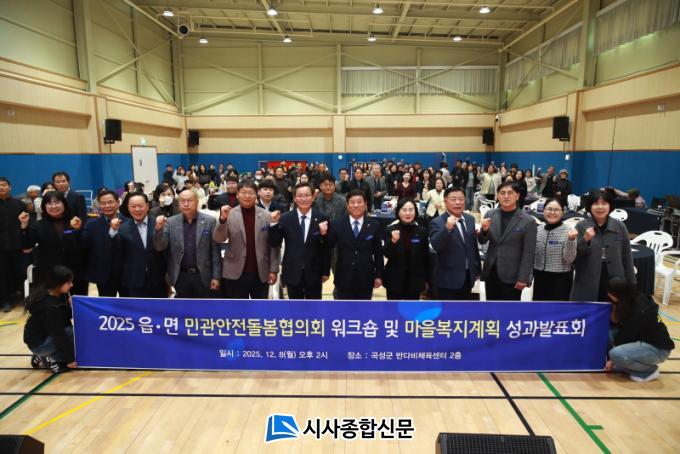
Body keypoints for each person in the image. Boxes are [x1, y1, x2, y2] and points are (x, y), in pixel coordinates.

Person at [212, 179, 279, 299]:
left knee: (259, 308)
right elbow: (219, 239)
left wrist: (273, 270)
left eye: (251, 193)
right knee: (237, 308)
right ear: (237, 194)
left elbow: (273, 245)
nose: (247, 196)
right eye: (243, 192)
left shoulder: (266, 215)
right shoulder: (229, 214)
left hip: (260, 272)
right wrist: (222, 220)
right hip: (235, 272)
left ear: (256, 194)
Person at [153, 188, 222, 298]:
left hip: (203, 275)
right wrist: (158, 230)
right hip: (180, 276)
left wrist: (216, 277)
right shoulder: (170, 222)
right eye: (182, 201)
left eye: (189, 200)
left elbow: (215, 252)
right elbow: (159, 247)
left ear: (197, 202)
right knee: (182, 308)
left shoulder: (210, 221)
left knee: (204, 307)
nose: (186, 204)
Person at [570, 189, 635, 302]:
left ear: (610, 206)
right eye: (596, 203)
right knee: (588, 310)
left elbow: (627, 256)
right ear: (590, 207)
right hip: (587, 279)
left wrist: (632, 283)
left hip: (615, 280)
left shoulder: (619, 226)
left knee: (614, 310)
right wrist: (585, 240)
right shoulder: (581, 226)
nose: (600, 207)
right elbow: (573, 257)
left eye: (604, 203)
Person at [605, 277, 674, 382]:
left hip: (658, 349)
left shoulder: (639, 311)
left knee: (616, 354)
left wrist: (613, 360)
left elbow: (624, 338)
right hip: (641, 340)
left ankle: (648, 372)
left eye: (610, 295)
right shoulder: (631, 298)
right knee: (609, 333)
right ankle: (627, 363)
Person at [477, 181, 537, 301]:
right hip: (491, 272)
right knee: (491, 308)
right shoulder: (490, 214)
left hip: (513, 274)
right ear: (498, 196)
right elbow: (482, 241)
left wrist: (523, 278)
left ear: (517, 196)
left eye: (510, 193)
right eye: (502, 193)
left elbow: (529, 253)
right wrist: (484, 231)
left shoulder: (528, 221)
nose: (506, 196)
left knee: (509, 310)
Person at [269, 183, 330, 299]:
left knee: (314, 306)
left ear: (313, 197)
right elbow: (274, 242)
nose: (304, 199)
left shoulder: (322, 217)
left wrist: (325, 271)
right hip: (292, 272)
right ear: (294, 198)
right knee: (294, 307)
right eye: (300, 196)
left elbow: (326, 247)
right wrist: (273, 224)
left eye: (307, 195)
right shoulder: (285, 218)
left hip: (314, 272)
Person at [20, 191, 84, 289]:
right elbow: (27, 246)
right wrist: (24, 225)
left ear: (64, 204)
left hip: (75, 272)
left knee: (76, 297)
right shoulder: (38, 225)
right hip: (49, 274)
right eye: (49, 203)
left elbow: (82, 245)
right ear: (44, 207)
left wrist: (77, 230)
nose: (54, 206)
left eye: (57, 202)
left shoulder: (74, 221)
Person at [327, 189, 383, 300]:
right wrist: (324, 234)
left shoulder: (374, 225)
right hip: (343, 277)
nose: (356, 205)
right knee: (343, 309)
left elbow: (378, 253)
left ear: (365, 204)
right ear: (347, 205)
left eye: (359, 202)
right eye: (352, 202)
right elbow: (328, 246)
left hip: (366, 277)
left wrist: (379, 275)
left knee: (364, 309)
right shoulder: (337, 224)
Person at [430, 187, 481, 300]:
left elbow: (473, 246)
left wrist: (476, 270)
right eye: (453, 199)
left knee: (465, 309)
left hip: (468, 277)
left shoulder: (470, 219)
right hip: (447, 280)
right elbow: (436, 245)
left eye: (461, 199)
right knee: (448, 311)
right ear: (445, 202)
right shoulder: (437, 222)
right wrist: (447, 228)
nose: (457, 202)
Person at [23, 265, 76, 374]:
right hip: (39, 344)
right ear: (58, 283)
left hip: (43, 337)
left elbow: (65, 318)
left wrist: (71, 307)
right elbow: (59, 335)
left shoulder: (55, 292)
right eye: (68, 282)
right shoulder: (50, 307)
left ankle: (44, 354)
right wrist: (70, 359)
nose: (72, 285)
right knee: (71, 334)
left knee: (70, 334)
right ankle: (50, 358)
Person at [114, 193, 167, 298]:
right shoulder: (122, 228)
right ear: (128, 208)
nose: (137, 209)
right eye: (133, 206)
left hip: (158, 279)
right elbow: (118, 254)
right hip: (134, 281)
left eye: (140, 206)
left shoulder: (159, 223)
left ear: (147, 206)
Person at [383, 198, 429, 300]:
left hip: (415, 280)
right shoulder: (390, 229)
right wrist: (393, 242)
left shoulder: (422, 231)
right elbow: (386, 254)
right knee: (393, 309)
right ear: (398, 212)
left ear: (415, 212)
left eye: (411, 210)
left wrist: (426, 279)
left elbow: (425, 257)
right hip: (394, 280)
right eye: (404, 210)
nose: (407, 213)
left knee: (411, 309)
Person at [81, 190, 124, 297]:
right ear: (99, 205)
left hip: (126, 274)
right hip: (103, 275)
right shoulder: (91, 225)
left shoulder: (128, 222)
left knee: (128, 304)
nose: (107, 206)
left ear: (118, 203)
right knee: (106, 305)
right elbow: (85, 247)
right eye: (103, 203)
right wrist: (77, 230)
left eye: (110, 202)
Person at [532, 199, 578, 301]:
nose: (552, 212)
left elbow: (569, 259)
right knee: (539, 308)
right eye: (549, 209)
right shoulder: (538, 229)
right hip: (539, 277)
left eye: (556, 210)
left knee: (558, 309)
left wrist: (571, 240)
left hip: (561, 279)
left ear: (562, 212)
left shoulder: (569, 231)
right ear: (543, 210)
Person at [0, 177, 26, 311]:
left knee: (21, 273)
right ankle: (5, 301)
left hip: (18, 246)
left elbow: (26, 224)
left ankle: (26, 299)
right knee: (2, 275)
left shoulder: (19, 204)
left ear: (9, 187)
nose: (1, 187)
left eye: (4, 185)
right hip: (1, 248)